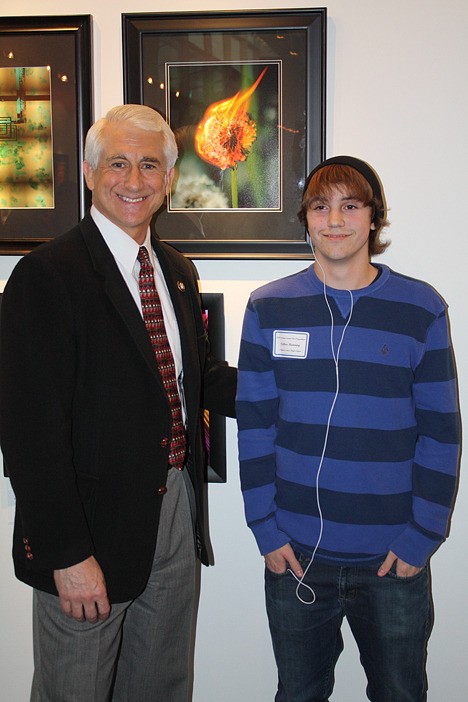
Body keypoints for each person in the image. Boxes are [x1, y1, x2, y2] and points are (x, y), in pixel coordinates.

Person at [0, 104, 237, 702]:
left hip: (174, 515)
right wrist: (67, 554)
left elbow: (192, 380)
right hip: (88, 531)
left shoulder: (177, 272)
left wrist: (290, 388)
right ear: (87, 171)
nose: (134, 181)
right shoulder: (44, 275)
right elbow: (29, 429)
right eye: (118, 163)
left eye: (149, 164)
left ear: (169, 177)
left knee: (161, 686)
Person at [236, 155, 460, 702]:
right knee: (299, 693)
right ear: (306, 219)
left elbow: (442, 433)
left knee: (400, 693)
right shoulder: (268, 307)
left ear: (373, 219)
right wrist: (264, 529)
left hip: (393, 560)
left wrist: (421, 536)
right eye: (320, 206)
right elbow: (255, 425)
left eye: (350, 206)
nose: (334, 220)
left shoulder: (422, 307)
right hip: (296, 557)